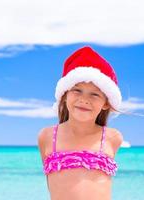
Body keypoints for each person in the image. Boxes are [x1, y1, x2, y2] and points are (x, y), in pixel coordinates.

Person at [37, 46, 124, 200]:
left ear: (106, 103)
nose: (84, 100)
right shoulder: (47, 136)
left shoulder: (112, 137)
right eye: (77, 90)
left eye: (95, 94)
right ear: (64, 95)